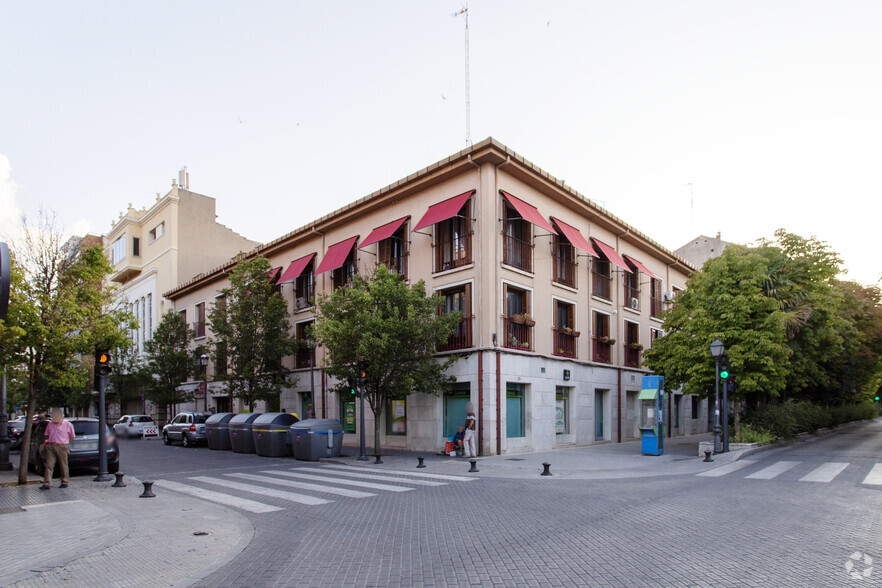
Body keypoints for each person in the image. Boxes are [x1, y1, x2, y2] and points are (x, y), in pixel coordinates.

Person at [41, 409, 75, 490]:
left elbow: (72, 437)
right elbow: (46, 435)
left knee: (63, 465)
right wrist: (46, 443)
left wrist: (66, 444)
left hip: (62, 446)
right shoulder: (50, 425)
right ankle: (46, 483)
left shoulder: (68, 425)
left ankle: (64, 481)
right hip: (51, 446)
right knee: (49, 465)